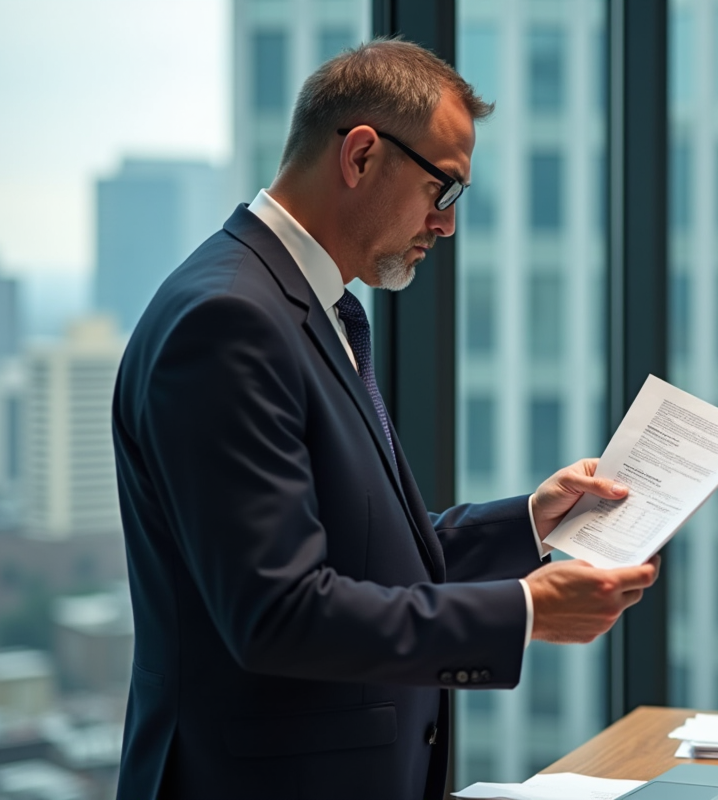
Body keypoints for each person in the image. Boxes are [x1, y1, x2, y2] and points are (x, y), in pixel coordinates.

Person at [111, 37, 660, 800]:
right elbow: (279, 611)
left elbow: (364, 557)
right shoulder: (228, 320)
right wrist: (523, 611)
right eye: (445, 190)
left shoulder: (307, 305)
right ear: (361, 156)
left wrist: (533, 522)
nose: (446, 225)